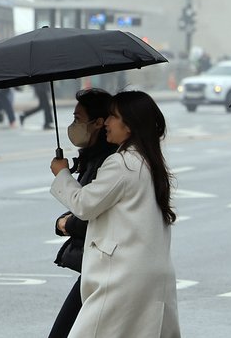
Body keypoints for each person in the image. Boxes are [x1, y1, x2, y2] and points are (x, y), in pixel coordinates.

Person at [49, 91, 179, 338]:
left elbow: (84, 204)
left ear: (129, 125)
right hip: (151, 275)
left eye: (113, 117)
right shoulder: (149, 161)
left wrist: (62, 174)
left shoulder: (121, 163)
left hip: (121, 276)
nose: (107, 122)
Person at [47, 88, 118, 338]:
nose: (73, 125)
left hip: (107, 267)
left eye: (78, 119)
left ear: (98, 122)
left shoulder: (112, 162)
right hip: (97, 267)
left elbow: (92, 213)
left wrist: (67, 224)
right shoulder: (93, 158)